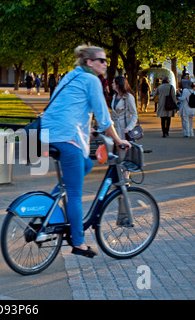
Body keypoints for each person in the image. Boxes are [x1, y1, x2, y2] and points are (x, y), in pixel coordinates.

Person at [41, 45, 131, 258]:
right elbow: (103, 115)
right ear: (89, 62)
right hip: (66, 137)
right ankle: (79, 243)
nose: (105, 64)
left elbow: (67, 106)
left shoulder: (72, 76)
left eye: (106, 61)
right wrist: (117, 139)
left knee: (87, 165)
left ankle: (51, 204)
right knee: (74, 194)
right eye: (101, 60)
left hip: (50, 133)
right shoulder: (91, 80)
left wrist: (87, 129)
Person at [110, 76, 138, 179]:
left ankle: (126, 175)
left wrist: (129, 127)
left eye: (113, 82)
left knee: (126, 152)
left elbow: (135, 114)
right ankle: (119, 174)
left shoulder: (128, 97)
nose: (112, 84)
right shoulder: (114, 96)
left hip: (124, 128)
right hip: (116, 128)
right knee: (117, 151)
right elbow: (113, 114)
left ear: (119, 84)